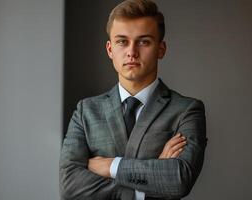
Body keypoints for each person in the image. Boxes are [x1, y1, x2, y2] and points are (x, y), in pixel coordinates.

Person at [59, 0, 207, 199]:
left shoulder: (187, 110)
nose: (131, 52)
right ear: (110, 49)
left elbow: (178, 179)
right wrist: (148, 183)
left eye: (143, 41)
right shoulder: (86, 110)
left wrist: (109, 165)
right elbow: (69, 185)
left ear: (161, 49)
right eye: (122, 41)